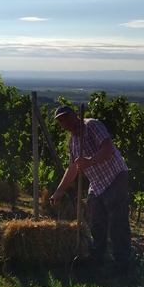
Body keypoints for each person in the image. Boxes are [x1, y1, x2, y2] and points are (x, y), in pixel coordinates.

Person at [49, 104, 132, 274]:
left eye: (67, 117)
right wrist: (59, 190)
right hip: (96, 183)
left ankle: (123, 264)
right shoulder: (72, 142)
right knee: (96, 222)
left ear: (74, 114)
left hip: (114, 176)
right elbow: (72, 168)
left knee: (117, 221)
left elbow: (108, 148)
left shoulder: (91, 125)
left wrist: (90, 161)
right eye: (61, 121)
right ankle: (97, 258)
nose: (65, 123)